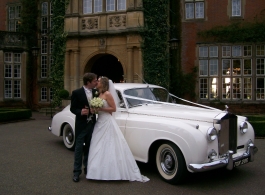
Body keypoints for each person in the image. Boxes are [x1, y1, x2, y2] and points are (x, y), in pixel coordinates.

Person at [86, 77, 149, 182]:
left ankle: (112, 173)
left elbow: (113, 108)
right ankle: (96, 172)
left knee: (109, 145)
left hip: (107, 122)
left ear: (103, 83)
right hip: (99, 122)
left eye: (99, 81)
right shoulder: (98, 94)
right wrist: (94, 110)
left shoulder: (107, 94)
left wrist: (100, 108)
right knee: (97, 145)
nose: (97, 82)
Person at [70, 73, 98, 182]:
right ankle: (76, 172)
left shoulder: (96, 92)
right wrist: (81, 112)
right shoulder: (76, 93)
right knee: (78, 148)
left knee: (89, 148)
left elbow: (98, 106)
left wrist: (95, 109)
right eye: (95, 80)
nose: (96, 82)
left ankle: (88, 169)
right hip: (81, 125)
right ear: (88, 82)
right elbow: (73, 108)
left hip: (92, 124)